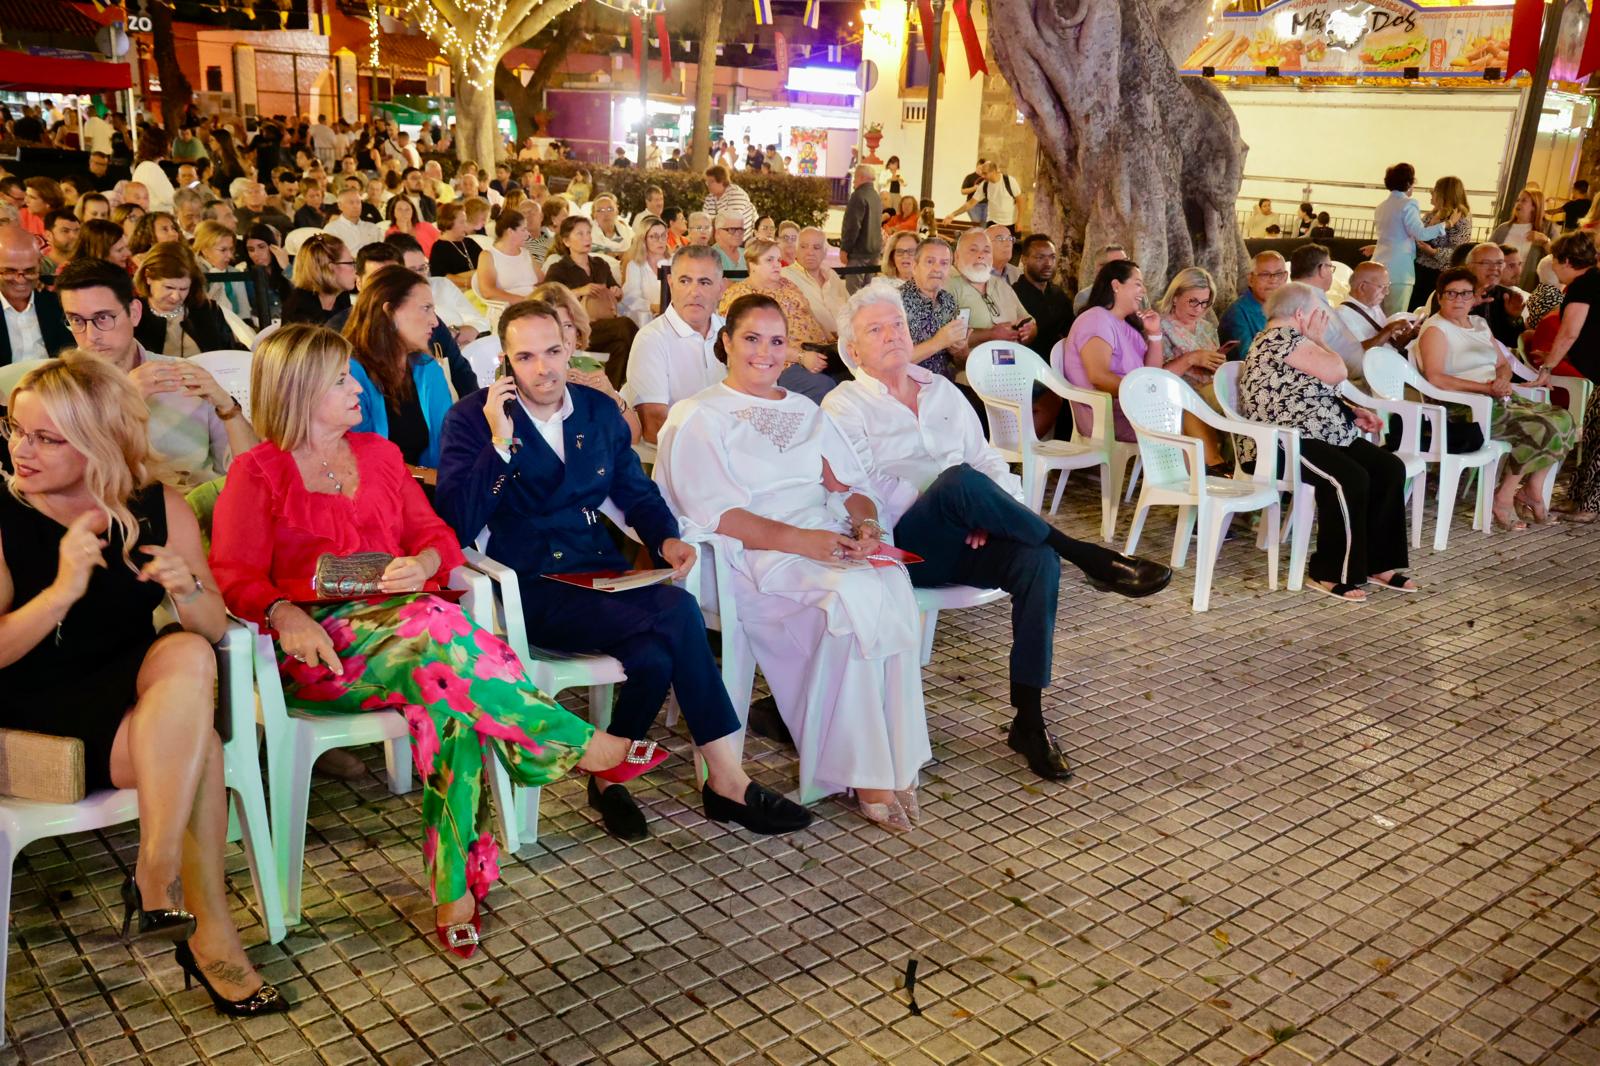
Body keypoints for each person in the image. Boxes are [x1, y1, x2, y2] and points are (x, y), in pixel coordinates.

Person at [210, 323, 628, 955]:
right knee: (444, 636)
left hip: (420, 640)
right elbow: (233, 576)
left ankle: (453, 889)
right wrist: (281, 611)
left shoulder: (378, 455)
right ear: (297, 391)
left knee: (447, 694)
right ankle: (564, 744)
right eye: (340, 379)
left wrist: (426, 567)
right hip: (322, 652)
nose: (358, 387)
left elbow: (435, 533)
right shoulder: (257, 473)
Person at [434, 299, 809, 839]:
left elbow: (634, 491)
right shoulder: (473, 418)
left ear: (571, 349)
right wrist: (499, 442)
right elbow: (457, 521)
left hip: (597, 569)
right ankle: (727, 778)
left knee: (655, 656)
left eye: (554, 352)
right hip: (530, 584)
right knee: (678, 609)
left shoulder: (595, 410)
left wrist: (666, 539)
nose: (543, 369)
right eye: (526, 357)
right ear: (506, 363)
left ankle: (609, 779)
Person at [1, 353, 288, 1015]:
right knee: (203, 749)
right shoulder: (6, 516)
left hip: (137, 685)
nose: (23, 450)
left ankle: (156, 875)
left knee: (189, 648)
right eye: (17, 430)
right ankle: (204, 929)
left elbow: (214, 623)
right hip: (39, 704)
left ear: (100, 441)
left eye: (46, 437)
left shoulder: (154, 505)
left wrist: (187, 587)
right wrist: (61, 592)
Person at [823, 286, 1171, 779]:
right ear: (853, 350)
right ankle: (1088, 557)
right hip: (903, 545)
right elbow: (863, 488)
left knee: (1036, 561)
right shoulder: (844, 406)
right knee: (958, 482)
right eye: (874, 330)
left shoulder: (941, 391)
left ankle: (1029, 719)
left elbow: (988, 459)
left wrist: (991, 511)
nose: (891, 335)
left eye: (896, 324)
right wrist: (963, 506)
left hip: (968, 532)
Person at [654, 294, 929, 829]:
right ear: (727, 341)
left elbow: (849, 485)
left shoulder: (805, 409)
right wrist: (801, 541)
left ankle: (895, 759)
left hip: (819, 538)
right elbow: (718, 515)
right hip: (751, 556)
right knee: (848, 597)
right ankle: (860, 769)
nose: (765, 352)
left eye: (777, 341)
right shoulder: (698, 416)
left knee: (889, 580)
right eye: (752, 339)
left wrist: (866, 527)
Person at [1236, 283, 1415, 602]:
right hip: (1280, 442)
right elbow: (1337, 371)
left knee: (1388, 467)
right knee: (1348, 478)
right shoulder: (1279, 339)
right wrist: (1318, 338)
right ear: (1302, 314)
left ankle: (1379, 563)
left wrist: (1352, 410)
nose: (1323, 321)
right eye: (1319, 313)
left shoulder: (1294, 342)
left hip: (1320, 434)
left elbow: (1314, 390)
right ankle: (1330, 572)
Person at [54, 259, 255, 489]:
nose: (90, 335)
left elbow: (247, 470)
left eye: (103, 318)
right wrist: (124, 401)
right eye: (76, 320)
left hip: (205, 508)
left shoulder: (183, 375)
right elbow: (78, 481)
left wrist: (228, 408)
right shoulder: (56, 391)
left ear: (134, 313)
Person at [1419, 266, 1576, 528]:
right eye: (1451, 294)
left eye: (1465, 294)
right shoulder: (1436, 329)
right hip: (1463, 405)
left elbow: (1503, 362)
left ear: (1474, 297)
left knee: (1563, 418)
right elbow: (1436, 378)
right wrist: (1486, 389)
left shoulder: (1479, 323)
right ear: (1439, 297)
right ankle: (1504, 497)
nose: (1459, 300)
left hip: (1496, 396)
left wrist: (1502, 379)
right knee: (1540, 427)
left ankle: (1531, 489)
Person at [341, 264, 454, 471]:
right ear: (389, 311)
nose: (435, 322)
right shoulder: (349, 375)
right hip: (378, 492)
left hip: (432, 488)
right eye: (426, 308)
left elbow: (448, 443)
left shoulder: (427, 368)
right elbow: (359, 461)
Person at [623, 245, 727, 444]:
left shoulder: (732, 333)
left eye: (704, 282)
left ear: (721, 288)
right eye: (685, 281)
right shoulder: (651, 339)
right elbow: (654, 427)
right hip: (680, 457)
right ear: (670, 283)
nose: (694, 292)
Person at [1054, 259, 1164, 444]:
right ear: (1116, 285)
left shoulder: (1126, 325)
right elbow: (1098, 376)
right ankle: (1207, 469)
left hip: (1130, 408)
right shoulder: (1096, 319)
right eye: (1137, 284)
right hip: (1104, 415)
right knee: (1176, 421)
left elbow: (1150, 374)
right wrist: (1142, 395)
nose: (1144, 291)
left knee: (1179, 416)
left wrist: (1154, 334)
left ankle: (1207, 468)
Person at [715, 238, 835, 402]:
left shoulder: (787, 284)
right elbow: (753, 344)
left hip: (818, 353)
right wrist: (801, 357)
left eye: (778, 260)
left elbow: (809, 314)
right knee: (826, 386)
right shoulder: (741, 295)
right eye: (769, 260)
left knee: (852, 377)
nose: (777, 264)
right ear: (752, 264)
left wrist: (831, 340)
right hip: (782, 364)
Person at [1538, 231, 1600, 521]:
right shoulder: (1592, 281)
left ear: (1565, 260)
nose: (1552, 267)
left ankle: (1589, 506)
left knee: (1598, 440)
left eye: (1554, 260)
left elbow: (1570, 332)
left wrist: (1547, 367)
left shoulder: (1584, 286)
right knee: (1591, 433)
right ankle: (1577, 496)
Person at [542, 216, 640, 387]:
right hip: (577, 330)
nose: (587, 238)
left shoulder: (600, 264)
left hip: (606, 326)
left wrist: (617, 292)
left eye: (588, 233)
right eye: (580, 234)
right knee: (625, 325)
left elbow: (616, 290)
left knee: (620, 346)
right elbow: (547, 298)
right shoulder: (559, 269)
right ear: (566, 241)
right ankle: (642, 369)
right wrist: (580, 291)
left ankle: (610, 393)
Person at [1154, 267, 1231, 470]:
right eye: (1193, 301)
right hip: (1179, 394)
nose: (1198, 309)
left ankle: (1243, 464)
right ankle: (1229, 464)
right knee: (1234, 408)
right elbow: (1156, 376)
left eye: (1204, 303)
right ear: (1175, 296)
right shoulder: (1159, 326)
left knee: (1239, 403)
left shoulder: (1206, 327)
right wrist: (1192, 359)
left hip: (1210, 387)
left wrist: (1215, 363)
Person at [132, 242, 239, 356]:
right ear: (148, 277)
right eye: (169, 287)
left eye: (183, 289)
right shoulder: (132, 314)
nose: (176, 297)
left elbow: (231, 351)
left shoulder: (207, 310)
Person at [1373, 163, 1447, 315]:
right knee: (1395, 317)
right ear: (1408, 183)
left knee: (1376, 317)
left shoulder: (1381, 207)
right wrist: (1445, 225)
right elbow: (1420, 233)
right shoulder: (1408, 204)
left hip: (1378, 266)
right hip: (1399, 271)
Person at [946, 229, 1035, 348]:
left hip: (1011, 361)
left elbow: (1028, 319)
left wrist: (1030, 331)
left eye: (986, 251)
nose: (981, 255)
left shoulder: (1001, 284)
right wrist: (989, 334)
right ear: (956, 256)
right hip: (970, 364)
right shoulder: (947, 285)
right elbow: (943, 337)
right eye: (973, 250)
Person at [0, 225, 72, 366]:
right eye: (9, 271)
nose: (20, 279)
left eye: (30, 271)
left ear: (39, 264)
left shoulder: (56, 297)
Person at [900, 239, 970, 381]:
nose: (937, 269)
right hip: (908, 388)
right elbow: (892, 362)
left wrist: (960, 350)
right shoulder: (895, 302)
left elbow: (961, 365)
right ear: (914, 266)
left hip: (944, 385)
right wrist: (938, 342)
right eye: (930, 262)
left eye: (944, 263)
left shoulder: (948, 301)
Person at [1408, 176, 1473, 313]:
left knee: (1429, 310)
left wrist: (1433, 252)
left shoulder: (1461, 217)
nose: (1432, 193)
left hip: (1439, 274)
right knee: (1414, 309)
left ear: (1444, 194)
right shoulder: (1431, 215)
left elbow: (1458, 252)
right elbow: (1418, 236)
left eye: (1435, 190)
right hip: (1419, 269)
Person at [1336, 262, 1421, 358]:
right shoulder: (1343, 314)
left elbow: (1388, 343)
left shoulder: (1374, 306)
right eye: (1382, 287)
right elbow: (1358, 352)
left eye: (1388, 286)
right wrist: (1389, 329)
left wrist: (1408, 336)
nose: (1387, 292)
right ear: (1362, 287)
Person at [783, 227, 849, 338]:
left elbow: (851, 307)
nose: (810, 252)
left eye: (816, 247)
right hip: (812, 348)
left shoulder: (831, 275)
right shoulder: (785, 277)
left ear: (825, 252)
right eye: (803, 247)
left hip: (845, 344)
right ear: (796, 250)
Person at [1219, 250, 1288, 355]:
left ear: (1285, 277)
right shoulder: (1237, 314)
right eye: (1265, 274)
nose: (1273, 280)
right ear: (1251, 279)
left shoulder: (1290, 305)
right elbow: (1247, 360)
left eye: (1278, 274)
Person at [1491, 187, 1558, 292]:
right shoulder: (1503, 229)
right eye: (1518, 200)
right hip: (1498, 285)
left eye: (1524, 200)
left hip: (1528, 287)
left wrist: (1545, 241)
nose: (1518, 203)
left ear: (1535, 207)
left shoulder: (1547, 229)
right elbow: (1489, 253)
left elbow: (1560, 257)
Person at [281, 233, 357, 326]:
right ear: (330, 268)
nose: (355, 270)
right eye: (350, 263)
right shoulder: (299, 310)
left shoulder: (341, 296)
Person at [1462, 242, 1526, 349]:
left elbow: (1514, 343)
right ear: (1469, 267)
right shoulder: (1453, 294)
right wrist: (1468, 306)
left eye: (1500, 263)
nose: (1494, 268)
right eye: (1486, 263)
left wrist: (1514, 318)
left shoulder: (1507, 296)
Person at [475, 209, 542, 306]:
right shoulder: (488, 256)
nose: (528, 233)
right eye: (523, 229)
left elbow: (542, 280)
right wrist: (525, 300)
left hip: (535, 304)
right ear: (510, 232)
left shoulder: (526, 253)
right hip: (510, 309)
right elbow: (487, 291)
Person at [619, 215, 670, 328]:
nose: (660, 241)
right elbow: (630, 298)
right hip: (644, 318)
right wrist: (652, 307)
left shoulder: (673, 261)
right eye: (654, 236)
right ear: (643, 239)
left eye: (663, 235)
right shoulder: (635, 265)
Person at [839, 165, 883, 293]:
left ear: (862, 177)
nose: (853, 182)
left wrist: (845, 249)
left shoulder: (858, 196)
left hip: (859, 253)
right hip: (874, 252)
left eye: (855, 178)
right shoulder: (876, 196)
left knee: (853, 294)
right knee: (868, 293)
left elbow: (852, 226)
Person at [702, 166, 756, 235]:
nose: (708, 185)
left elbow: (732, 224)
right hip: (720, 239)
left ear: (722, 181)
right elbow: (705, 222)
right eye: (707, 182)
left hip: (742, 240)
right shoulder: (709, 198)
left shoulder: (736, 194)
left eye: (711, 181)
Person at [1073, 245, 1128, 313]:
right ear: (1101, 269)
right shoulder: (1085, 297)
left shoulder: (1137, 294)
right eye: (1118, 264)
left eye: (1126, 262)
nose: (1126, 268)